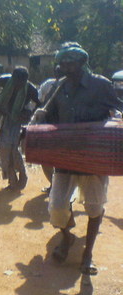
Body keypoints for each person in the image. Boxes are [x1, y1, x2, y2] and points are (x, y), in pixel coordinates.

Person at [34, 42, 122, 275]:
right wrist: (38, 120)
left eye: (70, 61)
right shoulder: (58, 87)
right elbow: (49, 115)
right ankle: (67, 236)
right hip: (65, 156)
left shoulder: (101, 85)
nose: (64, 65)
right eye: (62, 62)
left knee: (94, 207)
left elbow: (118, 110)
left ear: (82, 62)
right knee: (57, 207)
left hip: (94, 156)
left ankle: (88, 254)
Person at [0, 66, 41, 190]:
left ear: (26, 81)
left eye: (21, 83)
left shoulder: (31, 89)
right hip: (2, 117)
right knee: (4, 149)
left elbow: (39, 105)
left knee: (12, 148)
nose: (18, 85)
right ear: (12, 78)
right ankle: (12, 180)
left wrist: (28, 114)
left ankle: (22, 176)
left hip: (18, 121)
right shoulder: (4, 80)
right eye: (16, 82)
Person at [37, 65, 62, 193]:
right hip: (48, 126)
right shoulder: (48, 85)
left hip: (63, 128)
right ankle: (54, 185)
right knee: (45, 159)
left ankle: (59, 187)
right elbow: (39, 100)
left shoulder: (75, 87)